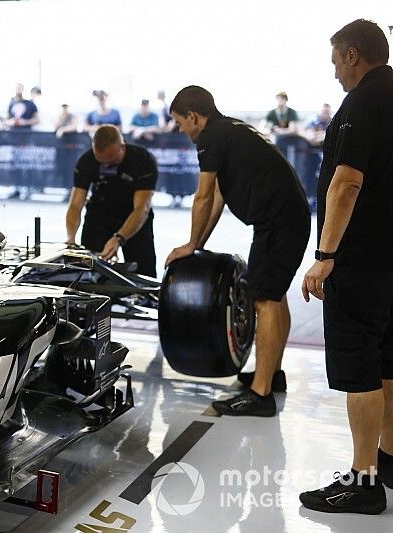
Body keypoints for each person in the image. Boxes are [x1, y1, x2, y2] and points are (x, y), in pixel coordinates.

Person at [166, 86, 310, 417]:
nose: (181, 130)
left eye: (180, 122)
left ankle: (260, 395)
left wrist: (189, 244)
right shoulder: (228, 130)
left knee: (265, 300)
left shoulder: (211, 137)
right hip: (285, 218)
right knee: (274, 296)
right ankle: (272, 375)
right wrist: (197, 244)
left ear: (193, 116)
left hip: (277, 221)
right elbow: (217, 197)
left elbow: (202, 197)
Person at [299, 19, 393, 515]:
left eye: (336, 60)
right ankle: (389, 463)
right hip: (391, 260)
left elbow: (346, 182)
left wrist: (325, 256)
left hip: (358, 262)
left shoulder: (363, 101)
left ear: (352, 54)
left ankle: (363, 482)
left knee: (360, 371)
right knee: (388, 364)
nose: (335, 72)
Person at [65, 124, 158, 277]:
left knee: (143, 275)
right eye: (101, 162)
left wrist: (120, 238)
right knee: (88, 272)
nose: (106, 166)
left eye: (111, 161)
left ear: (122, 146)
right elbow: (75, 204)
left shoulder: (143, 160)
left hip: (133, 217)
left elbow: (142, 208)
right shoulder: (86, 161)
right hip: (99, 216)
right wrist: (70, 238)